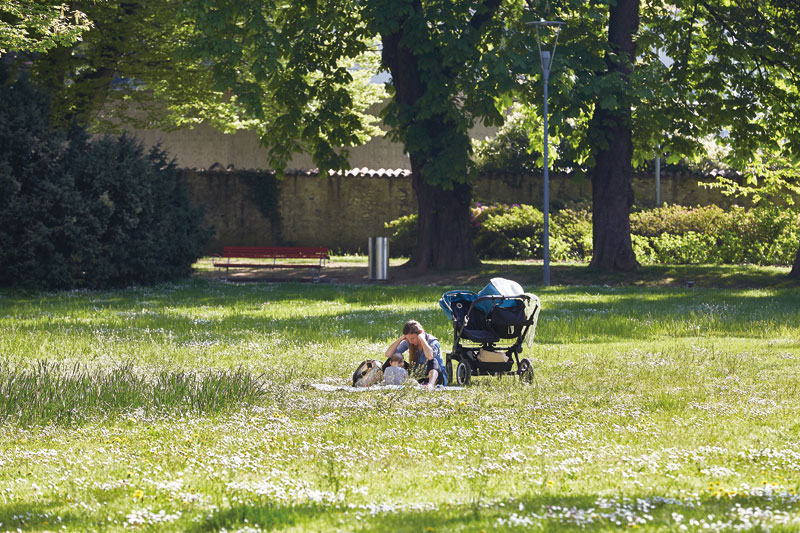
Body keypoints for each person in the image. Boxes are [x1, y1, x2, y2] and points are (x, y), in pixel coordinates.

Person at [384, 320, 448, 387]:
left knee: (433, 361)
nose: (411, 341)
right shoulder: (409, 342)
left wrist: (422, 339)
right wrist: (400, 339)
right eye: (408, 339)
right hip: (418, 375)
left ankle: (430, 385)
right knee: (391, 360)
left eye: (413, 338)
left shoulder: (433, 342)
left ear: (420, 333)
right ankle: (386, 380)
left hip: (437, 377)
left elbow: (430, 356)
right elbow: (388, 354)